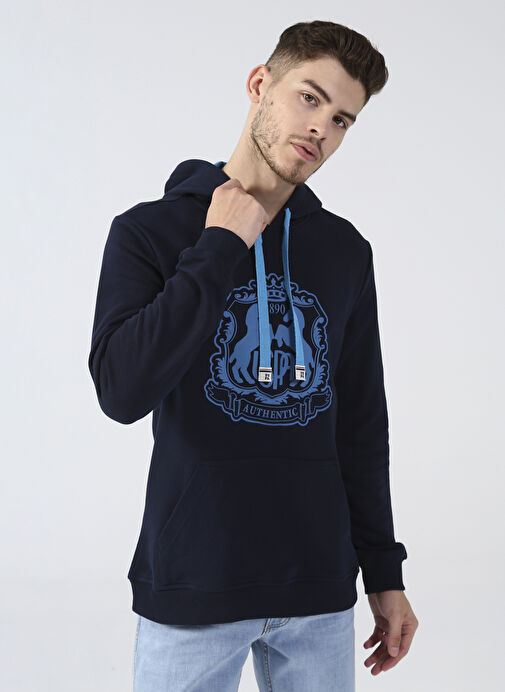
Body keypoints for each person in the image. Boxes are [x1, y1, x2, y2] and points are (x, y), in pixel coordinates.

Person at [88, 19, 418, 692]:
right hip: (194, 584)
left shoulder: (343, 251)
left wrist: (384, 575)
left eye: (342, 119)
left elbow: (361, 426)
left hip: (319, 592)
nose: (321, 127)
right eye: (309, 97)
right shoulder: (150, 232)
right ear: (259, 83)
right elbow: (121, 391)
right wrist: (218, 247)